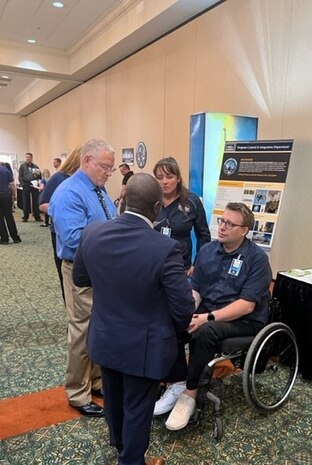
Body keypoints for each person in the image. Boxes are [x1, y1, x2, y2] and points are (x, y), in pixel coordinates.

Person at [73, 173, 195, 465]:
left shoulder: (92, 232)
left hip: (104, 336)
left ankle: (119, 446)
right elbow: (184, 308)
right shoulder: (165, 248)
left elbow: (80, 278)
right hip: (144, 345)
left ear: (124, 199)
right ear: (156, 208)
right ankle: (131, 460)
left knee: (113, 398)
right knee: (138, 407)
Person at [163, 202, 272, 431]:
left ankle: (190, 394)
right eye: (222, 221)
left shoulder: (257, 259)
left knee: (206, 331)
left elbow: (246, 306)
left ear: (244, 230)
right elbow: (197, 290)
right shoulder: (207, 251)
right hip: (210, 311)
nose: (222, 227)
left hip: (243, 321)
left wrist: (207, 318)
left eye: (230, 224)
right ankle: (177, 381)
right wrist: (187, 311)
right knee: (171, 320)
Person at [49, 139, 117, 417]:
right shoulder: (68, 193)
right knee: (82, 331)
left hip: (103, 270)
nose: (108, 173)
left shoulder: (98, 189)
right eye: (105, 167)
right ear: (87, 161)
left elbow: (111, 221)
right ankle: (78, 392)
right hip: (81, 269)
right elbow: (75, 239)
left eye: (111, 169)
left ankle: (97, 381)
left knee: (99, 327)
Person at [152, 156, 211, 416]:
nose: (164, 182)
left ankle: (179, 378)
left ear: (178, 177)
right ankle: (161, 372)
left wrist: (197, 265)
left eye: (169, 176)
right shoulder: (151, 201)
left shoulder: (191, 202)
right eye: (160, 177)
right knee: (155, 322)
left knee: (177, 323)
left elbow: (204, 237)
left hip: (181, 273)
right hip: (153, 272)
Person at [39, 147, 82, 302]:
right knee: (66, 276)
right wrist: (64, 211)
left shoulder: (92, 180)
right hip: (60, 233)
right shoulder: (59, 178)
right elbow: (42, 204)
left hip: (83, 234)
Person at [0, 163, 21, 244]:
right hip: (6, 195)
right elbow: (12, 185)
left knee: (0, 218)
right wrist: (14, 195)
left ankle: (4, 238)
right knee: (9, 216)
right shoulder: (6, 170)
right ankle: (15, 237)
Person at [18, 152, 42, 222]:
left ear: (32, 158)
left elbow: (39, 177)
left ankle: (37, 216)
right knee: (26, 201)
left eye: (29, 157)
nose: (28, 158)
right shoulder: (22, 166)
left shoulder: (35, 166)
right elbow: (20, 176)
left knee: (35, 201)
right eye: (27, 157)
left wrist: (38, 175)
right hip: (26, 184)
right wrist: (22, 184)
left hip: (34, 185)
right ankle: (25, 217)